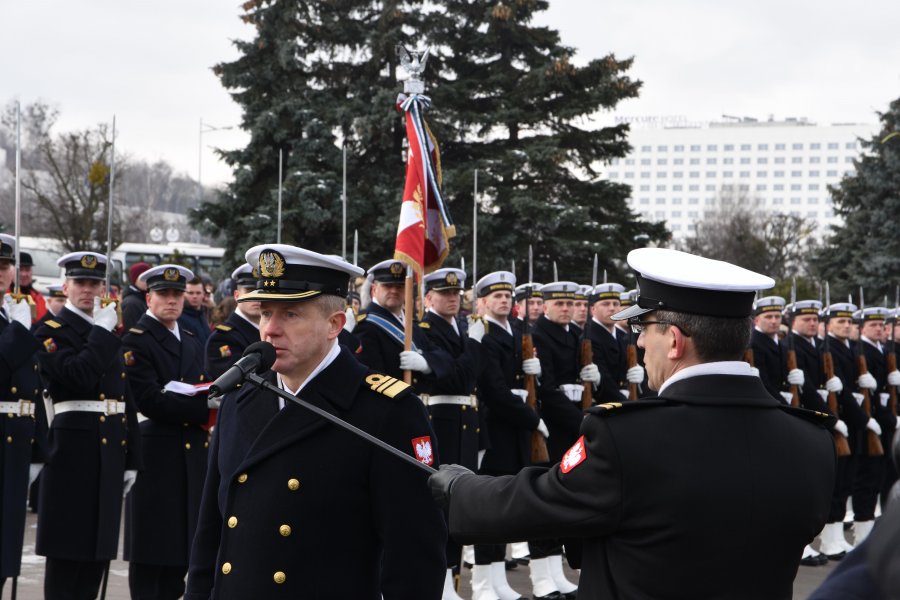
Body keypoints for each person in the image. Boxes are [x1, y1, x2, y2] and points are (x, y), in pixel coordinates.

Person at [429, 247, 837, 599]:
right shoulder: (812, 441)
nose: (638, 343)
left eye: (643, 329)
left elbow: (540, 504)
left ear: (675, 341)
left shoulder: (628, 436)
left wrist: (459, 488)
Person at [185, 244, 446, 599]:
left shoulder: (385, 410)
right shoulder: (241, 397)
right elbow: (211, 531)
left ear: (334, 324)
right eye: (265, 313)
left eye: (290, 315)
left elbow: (414, 553)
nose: (270, 330)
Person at [32, 251, 142, 599]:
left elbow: (125, 397)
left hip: (108, 452)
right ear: (65, 286)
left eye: (95, 283)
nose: (89, 290)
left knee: (97, 556)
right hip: (71, 454)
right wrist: (100, 333)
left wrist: (133, 457)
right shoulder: (51, 330)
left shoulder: (107, 329)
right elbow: (77, 376)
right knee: (67, 559)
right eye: (81, 283)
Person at [122, 264, 210, 599]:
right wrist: (206, 406)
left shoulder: (188, 338)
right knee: (151, 552)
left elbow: (196, 385)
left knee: (179, 554)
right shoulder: (137, 339)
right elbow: (149, 400)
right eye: (164, 294)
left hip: (189, 453)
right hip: (156, 453)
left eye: (177, 294)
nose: (172, 301)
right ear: (149, 297)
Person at [470, 271, 548, 600]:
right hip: (496, 426)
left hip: (515, 427)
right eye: (497, 296)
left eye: (507, 296)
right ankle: (482, 583)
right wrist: (533, 420)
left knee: (506, 508)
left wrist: (536, 375)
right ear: (483, 301)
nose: (504, 301)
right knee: (491, 504)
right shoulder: (483, 335)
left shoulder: (517, 333)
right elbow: (496, 392)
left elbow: (521, 384)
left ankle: (498, 578)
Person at [418, 268, 486, 599]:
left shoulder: (457, 329)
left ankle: (453, 584)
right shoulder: (423, 329)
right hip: (441, 423)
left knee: (457, 505)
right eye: (445, 294)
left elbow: (469, 381)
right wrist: (473, 344)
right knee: (440, 507)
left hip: (465, 425)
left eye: (456, 294)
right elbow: (456, 377)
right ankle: (441, 585)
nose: (453, 299)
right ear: (428, 298)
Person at [0, 234, 46, 596]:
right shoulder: (15, 321)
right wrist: (18, 330)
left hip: (13, 445)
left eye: (4, 267)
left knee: (4, 554)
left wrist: (37, 449)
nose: (1, 274)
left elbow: (32, 386)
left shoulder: (12, 312)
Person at [353, 259, 450, 389]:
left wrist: (426, 363)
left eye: (399, 286)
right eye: (387, 286)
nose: (394, 291)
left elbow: (445, 359)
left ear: (407, 289)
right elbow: (371, 377)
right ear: (374, 289)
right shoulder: (367, 326)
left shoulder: (412, 326)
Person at [588, 282, 644, 404]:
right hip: (606, 403)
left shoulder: (621, 336)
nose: (612, 308)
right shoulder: (590, 337)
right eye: (605, 304)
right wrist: (625, 403)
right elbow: (605, 379)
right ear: (593, 309)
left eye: (616, 304)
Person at [204, 264, 261, 380]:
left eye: (261, 291)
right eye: (250, 291)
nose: (256, 296)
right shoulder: (222, 338)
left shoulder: (271, 330)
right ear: (236, 295)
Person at [7, 251, 48, 321]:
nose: (24, 274)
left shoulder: (38, 297)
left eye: (27, 270)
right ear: (11, 271)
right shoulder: (4, 295)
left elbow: (44, 320)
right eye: (20, 270)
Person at [179, 276, 212, 347]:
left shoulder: (203, 314)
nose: (195, 296)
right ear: (183, 294)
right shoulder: (178, 317)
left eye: (198, 293)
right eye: (190, 293)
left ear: (203, 294)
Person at [121, 262, 151, 331]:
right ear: (135, 279)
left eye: (149, 278)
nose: (147, 281)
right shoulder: (131, 304)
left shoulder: (141, 298)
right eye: (143, 278)